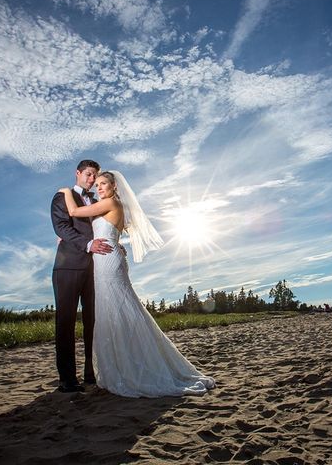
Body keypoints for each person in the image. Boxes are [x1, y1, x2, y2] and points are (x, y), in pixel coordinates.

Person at [58, 170, 215, 397]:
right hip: (108, 257)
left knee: (117, 308)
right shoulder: (114, 205)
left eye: (103, 184)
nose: (98, 188)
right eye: (97, 185)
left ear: (114, 187)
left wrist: (65, 191)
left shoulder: (110, 203)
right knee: (115, 309)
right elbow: (106, 231)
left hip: (107, 262)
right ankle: (125, 362)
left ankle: (130, 366)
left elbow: (73, 211)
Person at [51, 160, 113, 393]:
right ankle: (67, 379)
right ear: (77, 173)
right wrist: (87, 244)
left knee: (93, 322)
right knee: (65, 323)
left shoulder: (97, 202)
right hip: (67, 268)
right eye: (88, 174)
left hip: (95, 269)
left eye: (94, 176)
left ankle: (91, 373)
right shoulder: (62, 197)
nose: (91, 180)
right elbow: (61, 227)